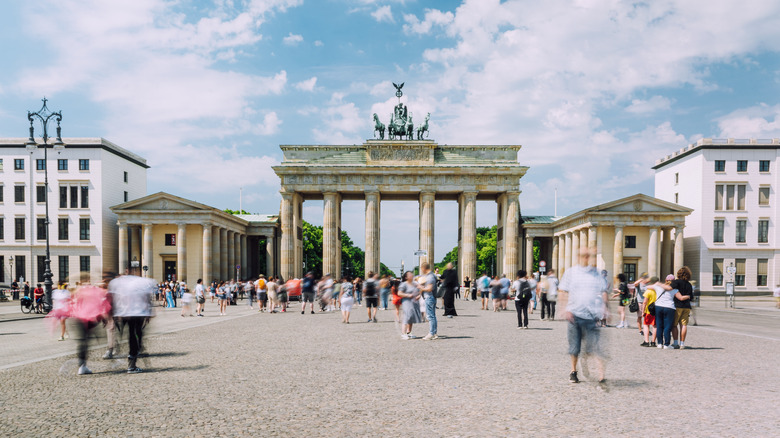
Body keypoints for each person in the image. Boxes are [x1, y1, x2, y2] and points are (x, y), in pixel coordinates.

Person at [559, 248, 609, 388]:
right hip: (574, 314)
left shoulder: (598, 274)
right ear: (578, 257)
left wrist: (605, 308)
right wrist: (564, 308)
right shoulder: (571, 272)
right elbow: (563, 291)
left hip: (592, 315)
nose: (586, 258)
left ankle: (601, 376)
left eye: (589, 256)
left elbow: (604, 291)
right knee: (574, 347)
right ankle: (573, 371)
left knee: (596, 347)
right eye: (584, 256)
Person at [109, 271, 155, 374]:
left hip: (126, 314)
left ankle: (129, 356)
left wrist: (115, 313)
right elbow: (147, 298)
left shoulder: (120, 285)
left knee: (132, 335)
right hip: (137, 313)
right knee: (134, 336)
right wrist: (149, 311)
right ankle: (132, 364)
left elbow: (115, 299)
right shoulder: (141, 284)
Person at [70, 279, 112, 375]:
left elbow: (74, 303)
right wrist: (104, 316)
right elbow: (104, 304)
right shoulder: (96, 291)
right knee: (86, 341)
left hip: (80, 318)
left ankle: (82, 365)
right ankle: (83, 366)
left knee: (83, 342)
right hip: (90, 318)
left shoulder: (80, 291)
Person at [671, 266, 694, 349]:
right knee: (684, 325)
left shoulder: (676, 282)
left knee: (674, 325)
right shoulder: (689, 284)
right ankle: (682, 343)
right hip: (687, 307)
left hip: (677, 306)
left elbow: (670, 289)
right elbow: (691, 297)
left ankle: (675, 342)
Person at [652, 275, 675, 349]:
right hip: (669, 307)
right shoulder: (674, 288)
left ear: (665, 280)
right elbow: (680, 297)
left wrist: (658, 284)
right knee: (667, 326)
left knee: (659, 326)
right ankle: (667, 344)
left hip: (658, 306)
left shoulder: (658, 287)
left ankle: (659, 343)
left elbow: (648, 287)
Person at [397, 271, 422, 339]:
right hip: (407, 302)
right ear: (406, 277)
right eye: (410, 274)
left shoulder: (415, 283)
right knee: (406, 317)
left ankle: (409, 332)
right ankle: (403, 333)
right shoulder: (404, 284)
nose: (412, 275)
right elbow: (399, 293)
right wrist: (408, 295)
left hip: (414, 302)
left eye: (412, 274)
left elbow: (420, 290)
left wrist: (419, 295)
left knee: (411, 317)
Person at [419, 263, 439, 340]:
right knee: (433, 316)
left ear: (424, 268)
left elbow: (429, 288)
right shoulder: (433, 275)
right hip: (432, 297)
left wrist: (421, 288)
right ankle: (434, 333)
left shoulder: (430, 277)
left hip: (429, 297)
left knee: (430, 316)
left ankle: (431, 333)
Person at [641, 277, 658, 347]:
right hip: (656, 310)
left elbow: (645, 302)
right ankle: (653, 342)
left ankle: (646, 341)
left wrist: (643, 311)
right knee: (655, 326)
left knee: (646, 325)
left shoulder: (648, 291)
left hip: (648, 311)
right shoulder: (658, 291)